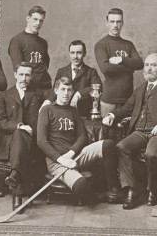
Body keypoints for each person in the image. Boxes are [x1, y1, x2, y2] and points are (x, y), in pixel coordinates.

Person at [102, 53, 157, 209]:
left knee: (151, 153)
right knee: (121, 147)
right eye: (147, 65)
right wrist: (112, 114)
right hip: (140, 131)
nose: (149, 68)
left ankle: (152, 190)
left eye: (153, 65)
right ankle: (132, 189)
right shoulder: (141, 88)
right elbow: (127, 108)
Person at [37, 77, 122, 205]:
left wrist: (71, 154)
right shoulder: (47, 110)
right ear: (56, 90)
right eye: (63, 89)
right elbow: (41, 141)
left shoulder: (73, 111)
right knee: (81, 184)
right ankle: (97, 197)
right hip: (56, 161)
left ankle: (114, 190)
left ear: (72, 92)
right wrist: (62, 160)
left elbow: (82, 136)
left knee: (108, 145)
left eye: (69, 90)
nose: (66, 93)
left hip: (76, 156)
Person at [0, 62, 49, 212]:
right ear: (15, 75)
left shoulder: (38, 94)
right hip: (9, 142)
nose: (24, 78)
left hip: (32, 142)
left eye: (28, 75)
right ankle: (17, 183)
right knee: (19, 134)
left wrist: (47, 102)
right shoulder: (4, 96)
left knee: (22, 141)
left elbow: (56, 92)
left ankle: (15, 179)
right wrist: (19, 126)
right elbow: (0, 121)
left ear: (32, 77)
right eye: (21, 74)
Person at [94, 8, 143, 117]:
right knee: (107, 132)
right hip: (109, 101)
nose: (115, 25)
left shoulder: (128, 44)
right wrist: (130, 68)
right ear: (107, 23)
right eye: (112, 22)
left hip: (128, 99)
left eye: (118, 22)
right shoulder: (101, 45)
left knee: (127, 133)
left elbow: (140, 63)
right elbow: (105, 68)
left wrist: (121, 60)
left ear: (122, 23)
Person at [45, 40, 102, 117]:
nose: (75, 57)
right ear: (69, 54)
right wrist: (47, 101)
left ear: (84, 54)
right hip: (64, 113)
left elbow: (97, 87)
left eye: (79, 53)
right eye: (72, 53)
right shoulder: (61, 71)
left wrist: (79, 94)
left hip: (83, 114)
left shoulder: (91, 72)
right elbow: (55, 90)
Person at [8, 6, 51, 90]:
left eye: (41, 21)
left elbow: (46, 65)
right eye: (35, 19)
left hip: (45, 87)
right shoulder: (17, 41)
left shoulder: (43, 42)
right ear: (28, 18)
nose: (38, 23)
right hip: (29, 88)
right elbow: (19, 70)